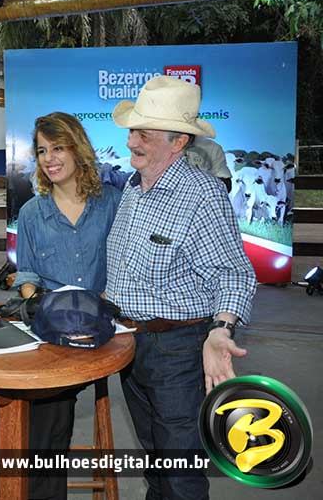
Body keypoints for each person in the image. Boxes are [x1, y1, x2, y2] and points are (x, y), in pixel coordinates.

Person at [106, 75, 256, 500]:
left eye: (144, 133)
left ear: (178, 142)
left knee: (181, 473)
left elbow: (233, 273)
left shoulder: (202, 195)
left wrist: (221, 329)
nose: (131, 141)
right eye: (132, 131)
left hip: (177, 353)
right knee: (156, 464)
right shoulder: (133, 188)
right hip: (130, 344)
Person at [13, 112, 121, 499]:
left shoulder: (112, 204)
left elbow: (126, 266)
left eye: (57, 148)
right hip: (53, 330)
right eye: (42, 150)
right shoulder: (31, 212)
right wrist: (37, 302)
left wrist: (106, 301)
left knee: (48, 400)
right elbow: (26, 274)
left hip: (103, 329)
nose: (49, 158)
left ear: (78, 149)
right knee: (48, 402)